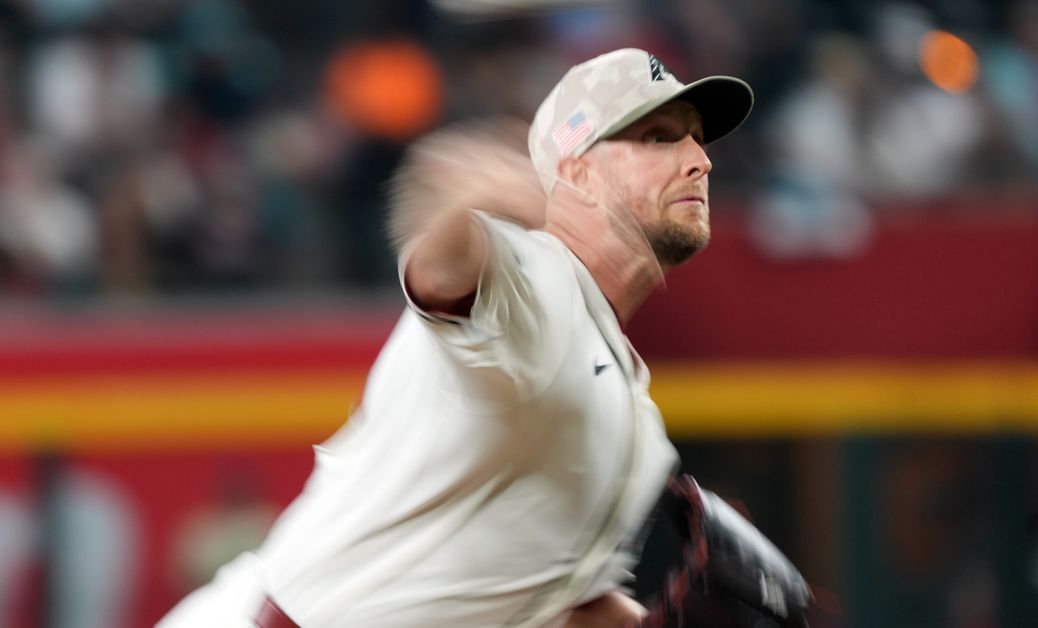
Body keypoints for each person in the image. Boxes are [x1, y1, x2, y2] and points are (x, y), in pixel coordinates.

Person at [157, 47, 753, 628]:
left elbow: (563, 608)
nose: (699, 159)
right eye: (659, 137)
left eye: (697, 137)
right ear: (578, 171)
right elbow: (443, 267)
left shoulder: (640, 425)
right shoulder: (528, 281)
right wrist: (472, 198)